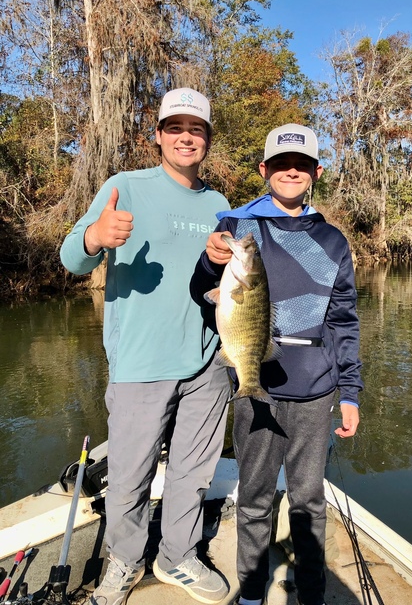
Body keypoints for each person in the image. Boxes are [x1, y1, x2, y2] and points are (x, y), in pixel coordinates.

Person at [60, 88, 232, 605]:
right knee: (129, 478)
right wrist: (94, 236)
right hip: (140, 365)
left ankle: (177, 556)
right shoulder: (125, 187)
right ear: (156, 136)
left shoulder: (220, 204)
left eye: (196, 128)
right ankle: (123, 562)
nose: (186, 136)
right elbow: (72, 259)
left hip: (208, 363)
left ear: (206, 139)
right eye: (175, 127)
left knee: (193, 473)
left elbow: (221, 277)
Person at [190, 124, 363, 605]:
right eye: (282, 163)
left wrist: (349, 392)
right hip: (253, 379)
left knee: (309, 501)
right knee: (255, 497)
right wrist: (209, 264)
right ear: (264, 170)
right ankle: (251, 590)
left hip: (316, 390)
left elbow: (344, 320)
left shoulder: (332, 241)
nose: (292, 171)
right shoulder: (235, 226)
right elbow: (201, 294)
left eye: (302, 165)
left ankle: (310, 591)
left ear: (316, 173)